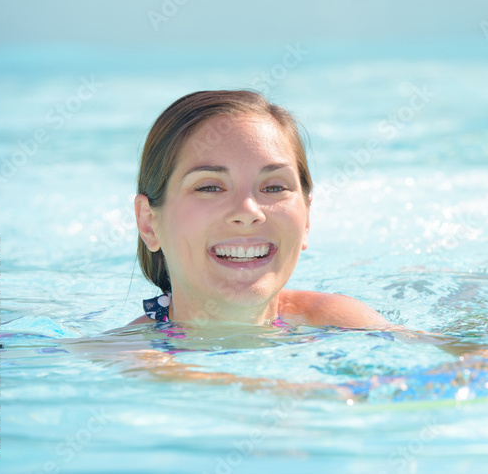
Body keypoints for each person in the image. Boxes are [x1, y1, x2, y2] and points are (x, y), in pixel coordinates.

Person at [129, 90, 390, 328]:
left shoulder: (346, 326)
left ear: (307, 219)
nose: (248, 211)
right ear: (148, 223)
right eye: (210, 187)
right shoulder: (123, 360)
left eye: (274, 187)